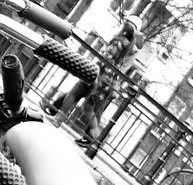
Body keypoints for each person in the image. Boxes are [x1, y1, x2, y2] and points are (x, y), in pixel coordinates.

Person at [56, 15, 144, 145]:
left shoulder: (119, 41)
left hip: (99, 74)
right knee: (91, 106)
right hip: (110, 81)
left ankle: (59, 118)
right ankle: (90, 134)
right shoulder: (133, 48)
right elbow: (121, 65)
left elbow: (106, 57)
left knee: (78, 94)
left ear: (127, 26)